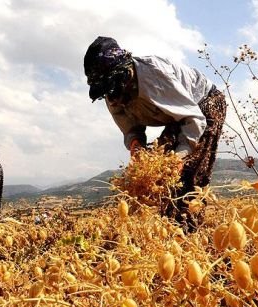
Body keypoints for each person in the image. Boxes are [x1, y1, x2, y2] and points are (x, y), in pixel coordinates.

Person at [83, 36, 227, 231]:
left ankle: (190, 233)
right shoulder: (112, 93)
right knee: (162, 177)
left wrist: (180, 156)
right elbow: (131, 130)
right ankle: (171, 230)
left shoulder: (155, 76)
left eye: (114, 88)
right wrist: (136, 148)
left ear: (126, 72)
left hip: (203, 104)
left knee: (188, 173)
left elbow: (193, 119)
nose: (113, 98)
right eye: (107, 93)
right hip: (179, 116)